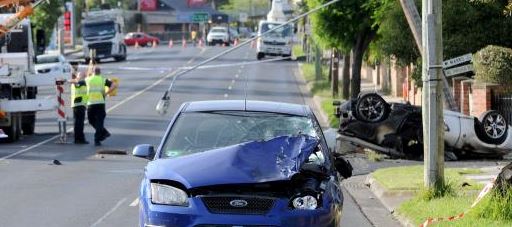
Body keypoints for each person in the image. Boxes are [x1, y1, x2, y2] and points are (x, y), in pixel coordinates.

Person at [84, 67, 117, 146]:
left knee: (91, 121)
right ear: (100, 72)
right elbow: (114, 85)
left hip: (91, 103)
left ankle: (101, 135)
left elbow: (80, 82)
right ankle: (101, 135)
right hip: (100, 103)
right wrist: (106, 93)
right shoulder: (102, 79)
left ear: (93, 72)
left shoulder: (88, 79)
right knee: (99, 122)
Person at [70, 62, 89, 144]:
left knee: (76, 123)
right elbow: (79, 81)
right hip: (80, 104)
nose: (84, 76)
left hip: (76, 104)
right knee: (80, 123)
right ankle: (80, 139)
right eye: (83, 76)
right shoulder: (80, 83)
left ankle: (77, 139)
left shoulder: (74, 84)